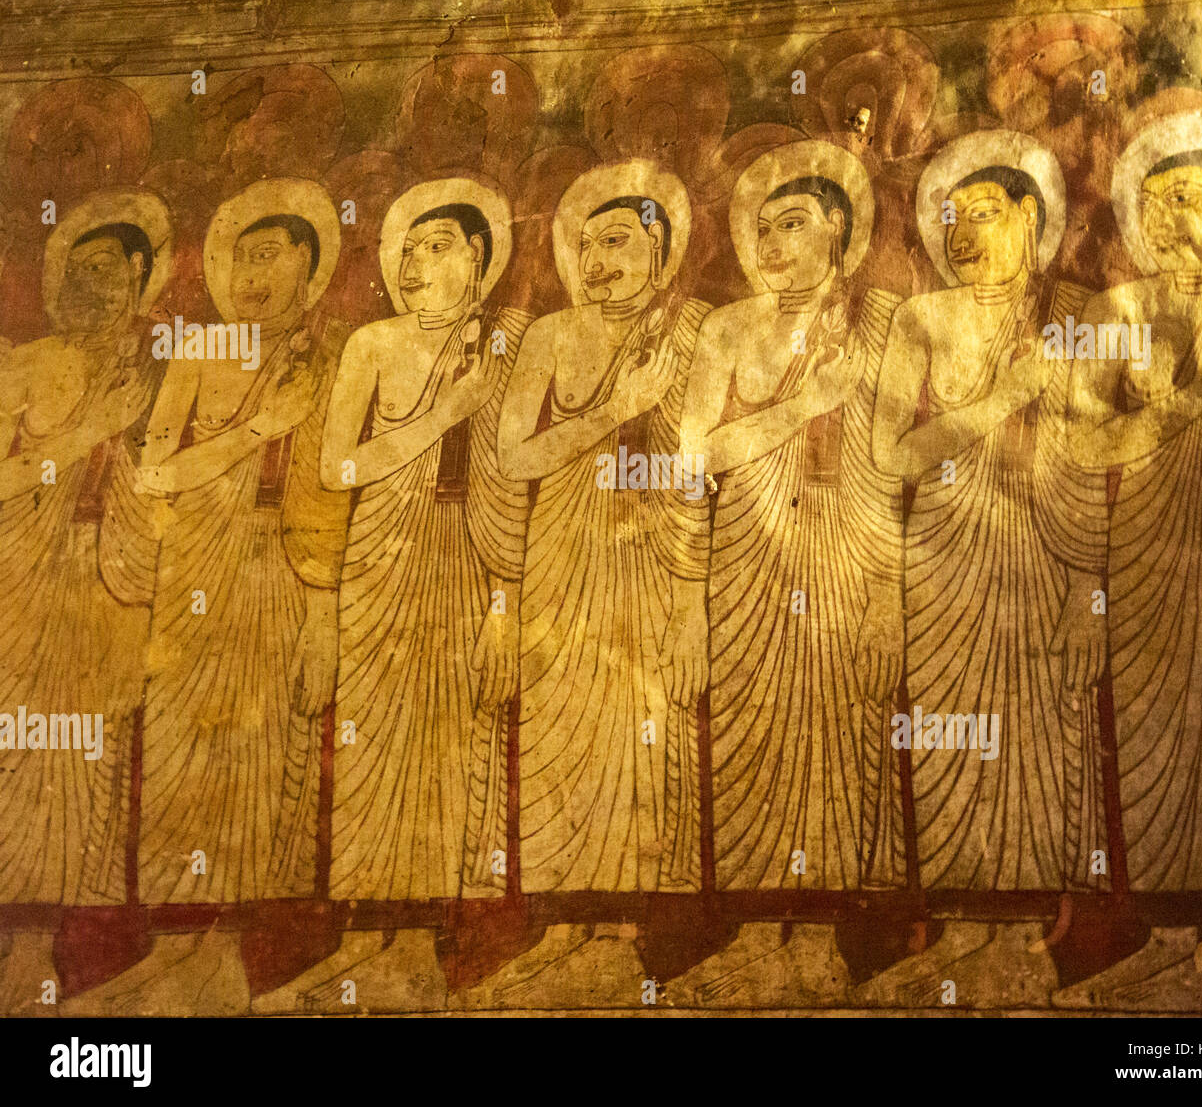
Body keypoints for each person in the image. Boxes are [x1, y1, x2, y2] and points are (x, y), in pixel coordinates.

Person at [71, 179, 347, 1014]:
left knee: (267, 759)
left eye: (270, 255)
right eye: (237, 258)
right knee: (182, 752)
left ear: (307, 262)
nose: (251, 274)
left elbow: (329, 492)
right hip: (190, 563)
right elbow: (155, 470)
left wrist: (323, 610)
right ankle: (172, 947)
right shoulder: (199, 352)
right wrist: (256, 433)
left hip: (278, 568)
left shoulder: (333, 358)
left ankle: (224, 956)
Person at [254, 178, 529, 1013]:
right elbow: (340, 466)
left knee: (455, 736)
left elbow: (515, 477)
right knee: (372, 745)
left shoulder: (504, 346)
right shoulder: (372, 345)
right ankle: (366, 939)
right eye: (405, 249)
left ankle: (422, 951)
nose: (413, 264)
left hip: (465, 555)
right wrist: (448, 407)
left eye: (437, 246)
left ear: (479, 259)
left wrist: (506, 603)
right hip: (378, 552)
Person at [862, 130, 1109, 1007]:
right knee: (952, 737)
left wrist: (1092, 590)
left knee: (1045, 743)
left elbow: (1098, 459)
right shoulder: (919, 319)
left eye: (988, 213)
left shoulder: (1074, 313)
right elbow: (894, 454)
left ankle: (1031, 931)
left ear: (1033, 218)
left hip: (1048, 556)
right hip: (944, 562)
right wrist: (1001, 398)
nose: (966, 234)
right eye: (951, 218)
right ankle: (964, 926)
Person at [1056, 110, 1202, 1011]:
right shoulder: (1116, 311)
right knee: (1151, 731)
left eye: (1186, 198)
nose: (1162, 221)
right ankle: (1163, 921)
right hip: (1148, 548)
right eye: (1148, 204)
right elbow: (1077, 448)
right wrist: (1176, 408)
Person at [672, 139, 907, 1006]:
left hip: (852, 555)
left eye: (794, 224)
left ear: (839, 232)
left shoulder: (883, 323)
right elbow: (698, 455)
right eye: (761, 228)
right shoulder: (727, 329)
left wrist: (888, 593)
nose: (772, 244)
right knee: (750, 737)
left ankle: (833, 934)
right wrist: (803, 402)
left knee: (849, 735)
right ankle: (757, 927)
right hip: (748, 559)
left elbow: (893, 468)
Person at [473, 160, 709, 1006]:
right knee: (561, 728)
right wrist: (615, 407)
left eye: (620, 240)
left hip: (654, 546)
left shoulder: (696, 332)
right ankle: (565, 924)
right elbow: (513, 455)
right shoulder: (551, 336)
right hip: (564, 546)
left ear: (660, 247)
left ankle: (626, 934)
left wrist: (692, 603)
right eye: (587, 244)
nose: (601, 260)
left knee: (646, 727)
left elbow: (698, 469)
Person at [0, 191, 172, 1012]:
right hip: (19, 584)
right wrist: (77, 437)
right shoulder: (25, 364)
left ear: (142, 277)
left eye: (107, 270)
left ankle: (62, 947)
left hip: (106, 586)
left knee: (85, 760)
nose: (88, 287)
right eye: (76, 270)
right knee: (20, 757)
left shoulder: (162, 370)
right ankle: (20, 943)